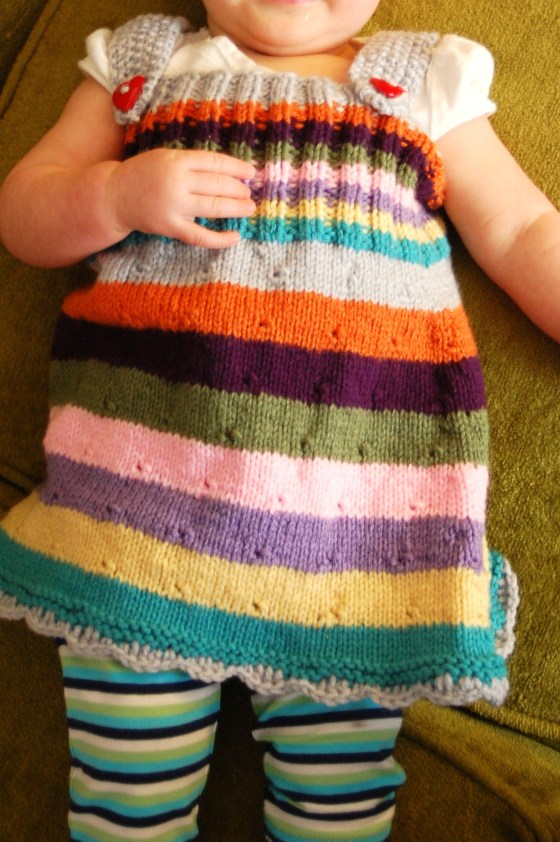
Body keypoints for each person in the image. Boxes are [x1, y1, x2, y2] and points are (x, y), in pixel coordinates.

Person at [0, 1, 558, 839]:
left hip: (351, 543)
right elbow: (24, 214)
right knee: (127, 804)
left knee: (336, 809)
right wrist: (112, 194)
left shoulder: (422, 81)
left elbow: (519, 229)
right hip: (134, 525)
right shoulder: (142, 66)